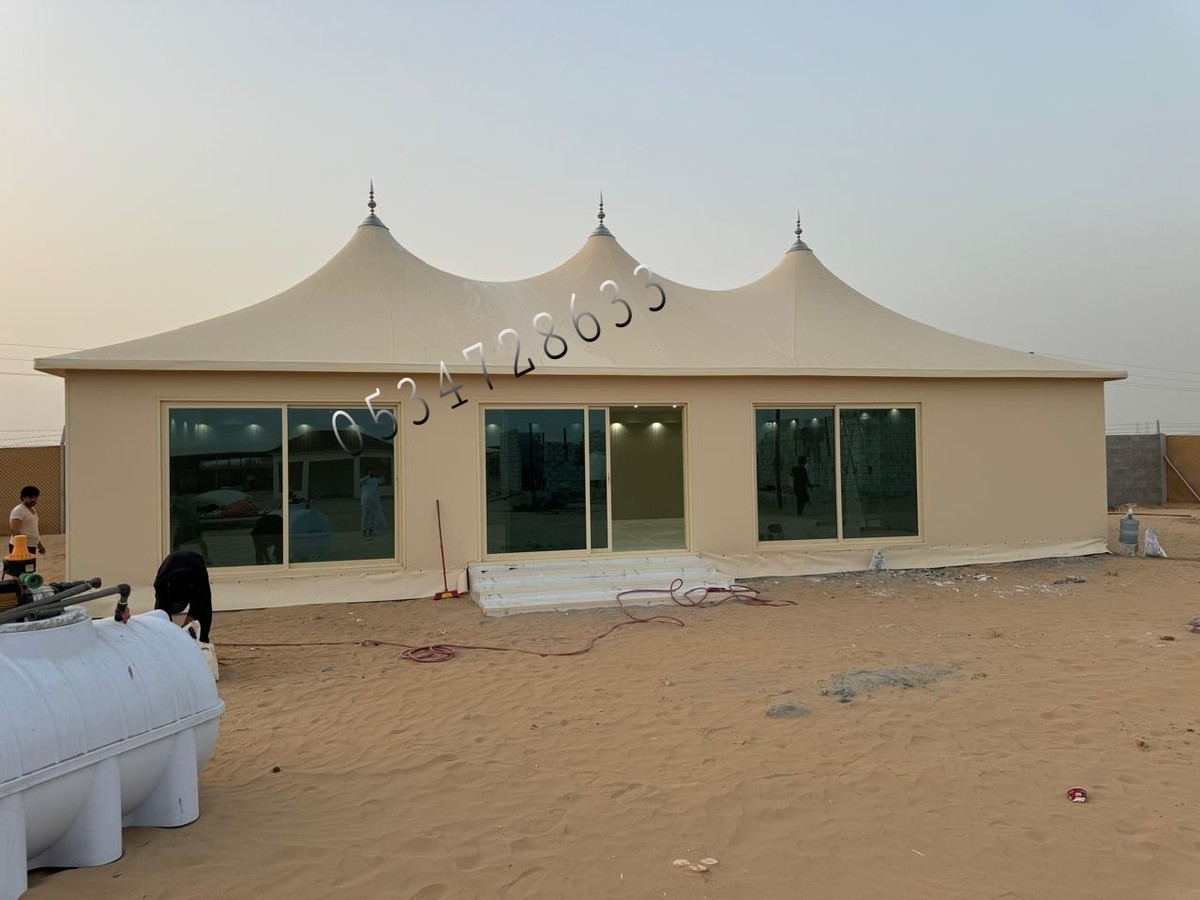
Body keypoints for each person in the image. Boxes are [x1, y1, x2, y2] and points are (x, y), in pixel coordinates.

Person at [151, 550, 213, 643]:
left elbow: (204, 611)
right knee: (162, 614)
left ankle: (201, 641)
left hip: (195, 566)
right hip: (170, 566)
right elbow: (161, 615)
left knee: (202, 607)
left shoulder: (199, 581)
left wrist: (202, 640)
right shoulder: (161, 584)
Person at [9, 485, 46, 557]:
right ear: (23, 497)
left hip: (30, 546)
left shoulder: (32, 510)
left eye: (35, 497)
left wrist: (39, 545)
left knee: (30, 564)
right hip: (20, 547)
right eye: (30, 497)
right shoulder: (19, 510)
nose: (33, 499)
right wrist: (22, 547)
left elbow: (32, 530)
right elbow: (14, 530)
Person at [360, 468, 387, 538]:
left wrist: (382, 474)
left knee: (372, 516)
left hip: (374, 501)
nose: (371, 472)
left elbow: (382, 481)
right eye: (369, 471)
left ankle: (371, 530)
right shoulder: (365, 480)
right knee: (365, 516)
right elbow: (361, 481)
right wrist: (368, 476)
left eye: (372, 471)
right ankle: (364, 530)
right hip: (365, 501)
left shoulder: (375, 480)